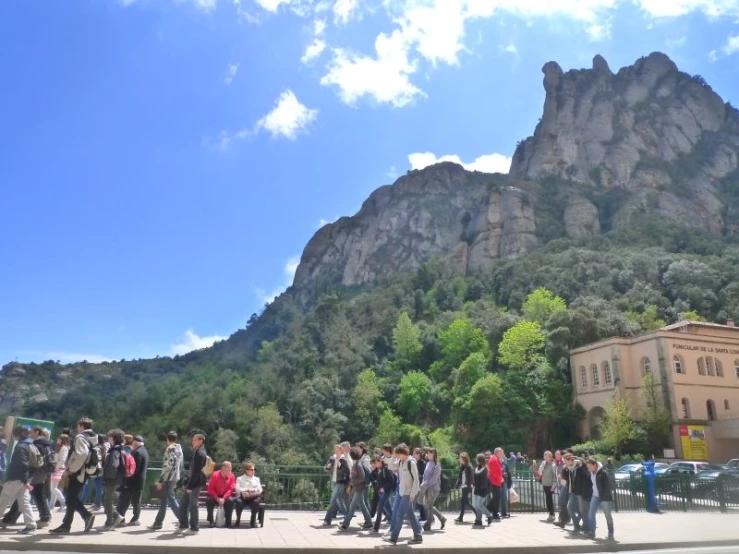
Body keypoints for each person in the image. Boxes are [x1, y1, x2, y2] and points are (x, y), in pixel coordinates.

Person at [50, 417, 97, 534]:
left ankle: (85, 516)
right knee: (71, 498)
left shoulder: (81, 437)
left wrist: (71, 469)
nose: (77, 428)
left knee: (70, 498)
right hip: (85, 472)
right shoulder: (93, 438)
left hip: (77, 473)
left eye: (78, 426)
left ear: (81, 426)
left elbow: (82, 454)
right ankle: (67, 524)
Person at [0, 426, 37, 534]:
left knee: (3, 499)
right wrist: (27, 480)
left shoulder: (20, 446)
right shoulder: (30, 444)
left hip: (16, 479)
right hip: (24, 479)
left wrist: (24, 479)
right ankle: (31, 525)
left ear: (17, 435)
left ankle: (30, 525)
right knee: (24, 502)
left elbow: (22, 464)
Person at [384, 443, 422, 545]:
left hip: (408, 494)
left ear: (403, 453)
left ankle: (394, 537)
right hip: (400, 492)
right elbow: (390, 467)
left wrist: (413, 494)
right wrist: (393, 457)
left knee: (400, 515)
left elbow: (416, 480)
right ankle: (418, 535)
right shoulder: (400, 462)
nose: (397, 456)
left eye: (398, 454)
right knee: (411, 515)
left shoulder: (411, 463)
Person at [149, 431, 183, 530]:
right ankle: (158, 522)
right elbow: (180, 465)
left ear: (167, 439)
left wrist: (161, 479)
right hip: (175, 476)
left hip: (168, 477)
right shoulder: (179, 449)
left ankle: (183, 520)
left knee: (171, 499)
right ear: (176, 439)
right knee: (164, 499)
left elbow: (167, 466)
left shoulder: (170, 449)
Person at [178, 433, 207, 535]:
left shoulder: (200, 453)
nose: (192, 442)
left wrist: (189, 486)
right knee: (183, 504)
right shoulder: (198, 452)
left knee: (192, 506)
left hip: (195, 484)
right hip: (192, 482)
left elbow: (196, 472)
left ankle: (194, 528)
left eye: (194, 440)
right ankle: (183, 525)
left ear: (200, 441)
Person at [116, 435, 148, 526]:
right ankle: (135, 519)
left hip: (132, 482)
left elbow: (133, 469)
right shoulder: (144, 451)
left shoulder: (137, 453)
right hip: (140, 481)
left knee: (123, 501)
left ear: (135, 442)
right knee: (136, 501)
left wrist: (126, 481)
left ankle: (120, 519)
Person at [339, 447, 373, 530]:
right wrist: (351, 485)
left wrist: (353, 482)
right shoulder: (356, 464)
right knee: (362, 505)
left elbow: (362, 477)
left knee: (352, 507)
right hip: (357, 488)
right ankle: (369, 523)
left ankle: (345, 525)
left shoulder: (358, 465)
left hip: (359, 488)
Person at [562, 453, 592, 534]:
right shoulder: (568, 468)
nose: (564, 463)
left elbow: (585, 480)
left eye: (565, 461)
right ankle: (576, 525)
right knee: (569, 507)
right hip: (573, 491)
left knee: (583, 511)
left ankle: (586, 527)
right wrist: (564, 469)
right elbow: (565, 478)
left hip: (580, 492)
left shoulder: (580, 467)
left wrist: (584, 493)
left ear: (570, 460)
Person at [101, 429, 125, 531]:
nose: (108, 438)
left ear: (114, 438)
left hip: (111, 479)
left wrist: (109, 477)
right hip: (115, 478)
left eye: (110, 436)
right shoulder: (118, 449)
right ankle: (115, 517)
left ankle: (110, 523)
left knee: (108, 501)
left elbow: (114, 465)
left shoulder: (115, 450)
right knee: (106, 500)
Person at [586, 457, 614, 540]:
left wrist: (605, 498)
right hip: (595, 496)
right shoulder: (591, 473)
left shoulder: (603, 473)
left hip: (604, 497)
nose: (588, 468)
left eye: (590, 466)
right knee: (591, 514)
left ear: (595, 465)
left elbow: (607, 487)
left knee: (607, 515)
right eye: (587, 467)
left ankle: (611, 532)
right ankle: (592, 531)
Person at [419, 448, 446, 531]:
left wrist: (427, 485)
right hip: (427, 487)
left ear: (434, 454)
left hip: (433, 488)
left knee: (429, 505)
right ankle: (441, 518)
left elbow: (435, 478)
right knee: (428, 505)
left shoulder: (436, 464)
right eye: (428, 452)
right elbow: (425, 476)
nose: (428, 454)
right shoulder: (428, 463)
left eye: (430, 453)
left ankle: (429, 522)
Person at [323, 444, 350, 526]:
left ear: (341, 451)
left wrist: (340, 466)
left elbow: (347, 471)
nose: (336, 451)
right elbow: (326, 468)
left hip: (340, 482)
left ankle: (327, 520)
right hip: (333, 481)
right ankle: (347, 516)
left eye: (338, 450)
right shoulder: (332, 458)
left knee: (332, 500)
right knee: (339, 500)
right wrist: (327, 467)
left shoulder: (343, 459)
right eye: (335, 450)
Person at [78, 434, 106, 512]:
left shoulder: (95, 448)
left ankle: (81, 503)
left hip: (92, 470)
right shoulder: (104, 448)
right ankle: (98, 504)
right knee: (99, 488)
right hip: (101, 470)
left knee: (86, 487)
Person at [206, 461, 235, 528]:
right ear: (223, 468)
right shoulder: (215, 475)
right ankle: (211, 521)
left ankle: (228, 522)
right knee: (209, 500)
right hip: (215, 495)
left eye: (231, 468)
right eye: (229, 468)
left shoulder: (232, 476)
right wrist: (217, 498)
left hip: (225, 496)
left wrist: (224, 498)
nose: (231, 469)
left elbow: (231, 489)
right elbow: (210, 488)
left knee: (230, 501)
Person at [235, 462, 262, 528]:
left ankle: (253, 520)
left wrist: (253, 490)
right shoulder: (240, 478)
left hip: (252, 497)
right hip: (243, 497)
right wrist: (247, 489)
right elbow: (237, 489)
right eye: (251, 469)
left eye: (254, 469)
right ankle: (238, 519)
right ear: (246, 470)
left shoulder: (256, 479)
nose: (253, 471)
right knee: (239, 502)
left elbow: (260, 489)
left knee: (256, 502)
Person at [371, 455, 395, 532]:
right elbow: (371, 478)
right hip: (380, 491)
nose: (375, 465)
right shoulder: (377, 470)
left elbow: (391, 481)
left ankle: (376, 527)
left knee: (380, 507)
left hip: (387, 491)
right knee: (387, 507)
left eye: (376, 463)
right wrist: (373, 470)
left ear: (380, 462)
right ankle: (396, 521)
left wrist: (384, 488)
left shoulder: (386, 469)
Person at [454, 452, 477, 523]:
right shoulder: (463, 466)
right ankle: (461, 517)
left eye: (460, 458)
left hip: (467, 486)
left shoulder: (469, 467)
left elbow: (471, 478)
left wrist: (470, 486)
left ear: (464, 459)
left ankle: (477, 514)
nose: (459, 460)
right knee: (465, 502)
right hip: (463, 486)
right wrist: (457, 485)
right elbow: (460, 477)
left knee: (465, 502)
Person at [50, 434, 70, 511]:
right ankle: (51, 505)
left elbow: (63, 460)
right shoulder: (59, 447)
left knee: (53, 488)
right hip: (56, 468)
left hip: (58, 469)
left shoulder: (64, 448)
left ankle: (63, 502)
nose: (57, 440)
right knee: (53, 488)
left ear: (63, 440)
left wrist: (56, 467)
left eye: (59, 439)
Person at [472, 453, 492, 527]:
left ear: (478, 460)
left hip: (482, 489)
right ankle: (478, 520)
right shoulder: (477, 468)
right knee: (475, 505)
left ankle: (489, 515)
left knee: (479, 504)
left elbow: (484, 481)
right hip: (477, 489)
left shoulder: (484, 469)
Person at [537, 451, 557, 522]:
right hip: (545, 484)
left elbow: (555, 476)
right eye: (544, 456)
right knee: (548, 499)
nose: (545, 457)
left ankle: (552, 514)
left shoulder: (553, 465)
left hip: (550, 485)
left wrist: (554, 486)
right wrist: (542, 465)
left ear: (550, 457)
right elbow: (539, 472)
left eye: (546, 456)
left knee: (549, 499)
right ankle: (551, 514)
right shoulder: (543, 463)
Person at [486, 447, 503, 521]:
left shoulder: (495, 459)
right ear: (498, 453)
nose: (503, 454)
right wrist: (500, 478)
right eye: (502, 452)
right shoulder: (494, 459)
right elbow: (493, 472)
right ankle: (493, 512)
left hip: (496, 481)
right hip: (494, 481)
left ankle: (489, 510)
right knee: (496, 498)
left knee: (496, 498)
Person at [412, 448, 427, 521]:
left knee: (419, 500)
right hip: (416, 483)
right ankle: (423, 515)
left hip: (420, 483)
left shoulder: (423, 463)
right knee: (418, 500)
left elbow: (423, 474)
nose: (413, 455)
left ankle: (424, 516)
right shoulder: (415, 462)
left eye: (415, 454)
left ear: (418, 454)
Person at [500, 449, 512, 518]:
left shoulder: (505, 464)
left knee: (504, 498)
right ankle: (491, 511)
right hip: (498, 482)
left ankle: (503, 512)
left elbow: (508, 473)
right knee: (497, 498)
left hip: (504, 482)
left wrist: (509, 483)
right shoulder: (497, 463)